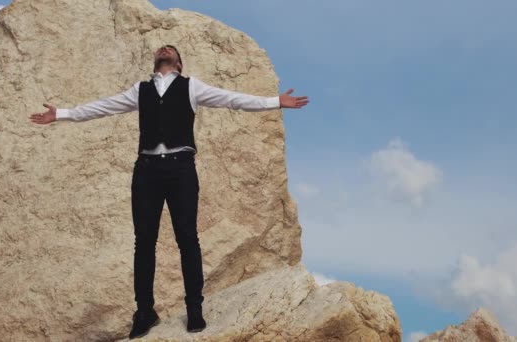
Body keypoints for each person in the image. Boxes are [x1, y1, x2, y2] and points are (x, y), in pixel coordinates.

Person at [28, 44, 309, 339]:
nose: (164, 49)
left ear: (179, 63)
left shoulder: (191, 87)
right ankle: (145, 312)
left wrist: (275, 101)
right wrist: (61, 113)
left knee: (187, 238)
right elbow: (102, 106)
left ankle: (195, 309)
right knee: (144, 242)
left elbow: (232, 99)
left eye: (171, 49)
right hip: (146, 169)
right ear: (158, 61)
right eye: (161, 49)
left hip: (181, 168)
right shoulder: (141, 90)